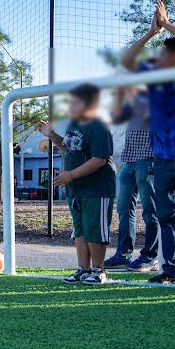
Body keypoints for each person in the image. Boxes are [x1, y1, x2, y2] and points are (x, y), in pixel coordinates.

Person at [121, 0, 175, 286]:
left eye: (162, 53)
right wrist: (151, 33)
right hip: (161, 159)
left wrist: (167, 23)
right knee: (167, 217)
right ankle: (171, 269)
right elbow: (126, 61)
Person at [38, 83, 116, 285]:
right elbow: (68, 147)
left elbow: (99, 158)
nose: (70, 105)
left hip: (96, 188)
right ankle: (83, 269)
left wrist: (71, 174)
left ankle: (99, 271)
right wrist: (51, 135)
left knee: (94, 228)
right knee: (80, 229)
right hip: (76, 190)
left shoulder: (98, 126)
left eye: (74, 101)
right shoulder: (74, 124)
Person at [104, 87, 159, 272]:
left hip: (148, 158)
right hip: (130, 159)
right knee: (124, 208)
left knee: (150, 210)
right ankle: (123, 254)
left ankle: (150, 256)